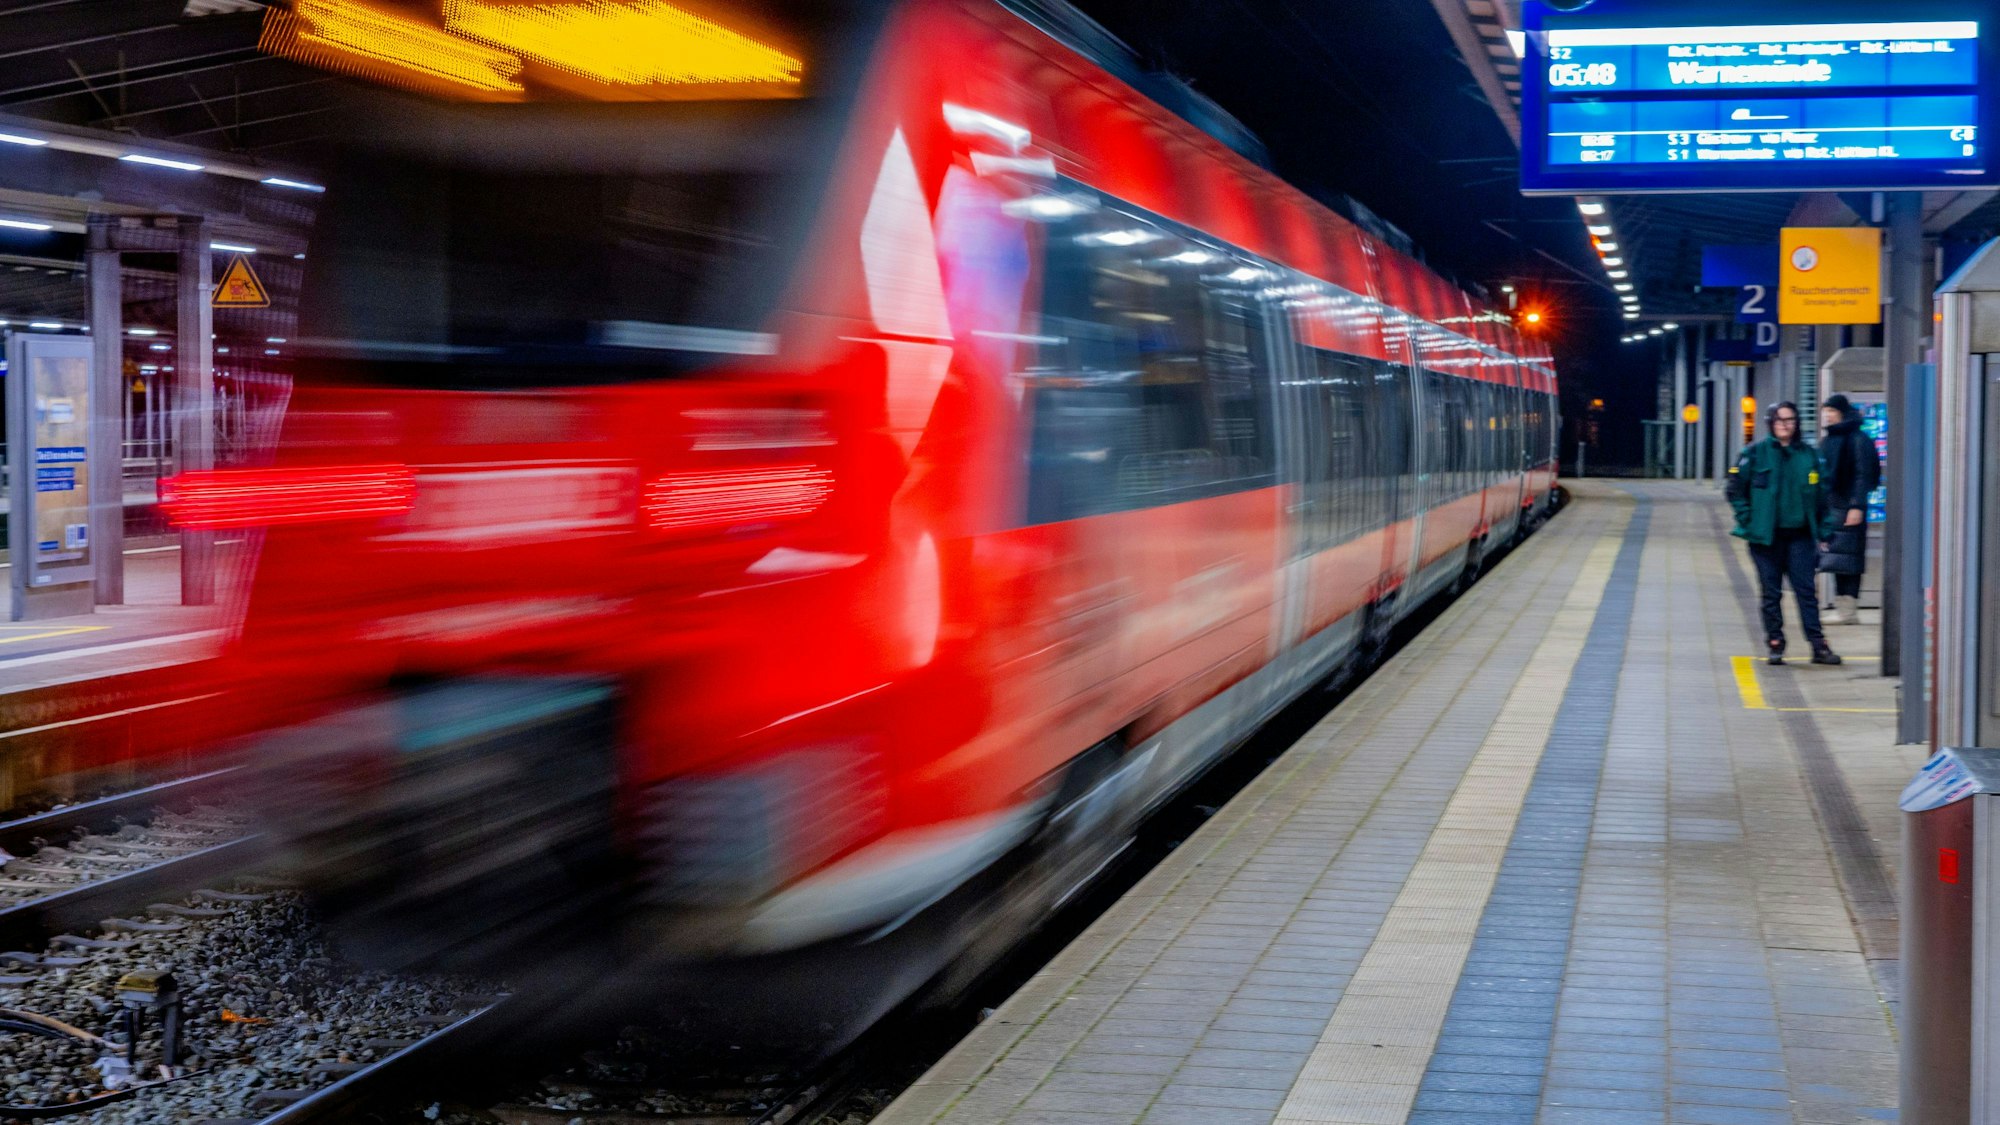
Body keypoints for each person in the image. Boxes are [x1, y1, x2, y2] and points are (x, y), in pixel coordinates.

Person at [1727, 402, 1841, 666]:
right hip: (1765, 538)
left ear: (1797, 423)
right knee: (1770, 592)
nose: (1784, 425)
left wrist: (1825, 529)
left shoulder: (1810, 456)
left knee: (1805, 591)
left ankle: (1818, 645)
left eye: (1789, 420)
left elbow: (1823, 496)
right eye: (1778, 420)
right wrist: (1748, 519)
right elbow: (1734, 490)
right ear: (1770, 423)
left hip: (1800, 536)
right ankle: (1775, 642)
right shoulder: (1754, 454)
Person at [1816, 394, 1881, 625]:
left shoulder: (1857, 439)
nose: (1828, 415)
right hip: (1832, 506)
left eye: (1832, 411)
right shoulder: (1830, 439)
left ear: (1842, 412)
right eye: (1825, 411)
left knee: (1850, 559)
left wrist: (1857, 505)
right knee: (1835, 559)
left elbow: (1864, 474)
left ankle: (1848, 610)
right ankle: (1842, 607)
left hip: (1849, 506)